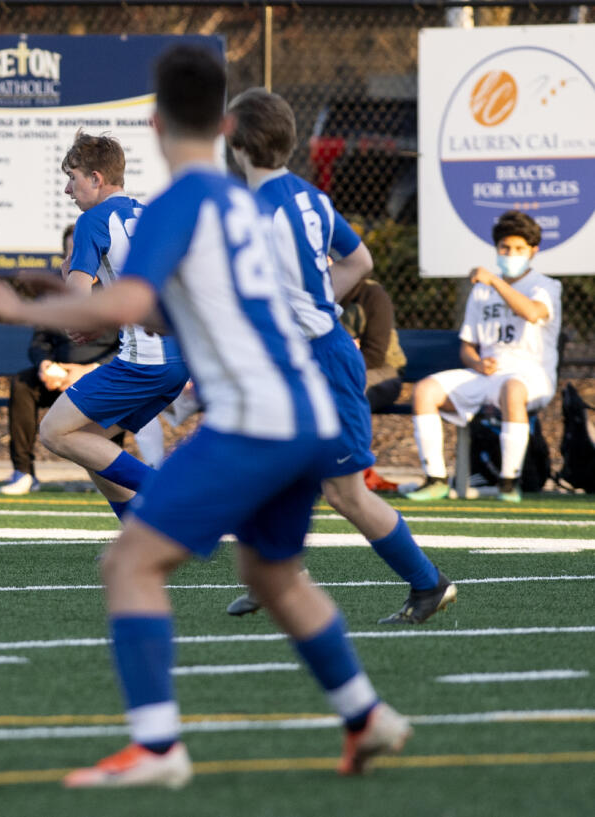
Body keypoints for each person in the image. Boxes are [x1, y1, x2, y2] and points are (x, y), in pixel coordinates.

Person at [0, 44, 409, 789]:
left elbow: (129, 305)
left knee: (130, 562)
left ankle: (156, 745)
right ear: (228, 123)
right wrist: (70, 294)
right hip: (306, 406)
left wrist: (21, 305)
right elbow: (181, 310)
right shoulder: (244, 202)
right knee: (273, 575)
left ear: (153, 121)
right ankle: (368, 715)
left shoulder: (186, 200)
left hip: (256, 417)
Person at [224, 88, 454, 626]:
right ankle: (273, 573)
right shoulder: (311, 197)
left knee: (345, 494)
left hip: (318, 363)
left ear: (235, 143)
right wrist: (317, 303)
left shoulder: (251, 213)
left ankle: (429, 584)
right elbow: (360, 260)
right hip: (305, 356)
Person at [38, 130, 188, 518]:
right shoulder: (146, 214)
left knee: (54, 431)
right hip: (179, 357)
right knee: (89, 443)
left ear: (96, 179)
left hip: (145, 361)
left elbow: (76, 304)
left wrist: (67, 270)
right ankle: (139, 532)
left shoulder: (93, 220)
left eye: (72, 177)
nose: (67, 190)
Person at [407, 210, 561, 503]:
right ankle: (436, 478)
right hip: (487, 375)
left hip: (530, 377)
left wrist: (495, 281)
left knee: (512, 389)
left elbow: (530, 312)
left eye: (518, 249)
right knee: (425, 390)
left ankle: (508, 482)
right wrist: (477, 363)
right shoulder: (481, 292)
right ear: (496, 248)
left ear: (533, 251)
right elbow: (467, 346)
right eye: (505, 248)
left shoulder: (546, 286)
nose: (510, 254)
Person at [1, 229, 124, 495]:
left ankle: (109, 474)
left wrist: (88, 370)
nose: (76, 258)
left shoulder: (114, 292)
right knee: (23, 382)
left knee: (117, 388)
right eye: (71, 252)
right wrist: (46, 365)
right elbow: (39, 341)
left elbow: (125, 347)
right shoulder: (53, 295)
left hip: (100, 375)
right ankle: (23, 473)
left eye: (82, 252)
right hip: (57, 377)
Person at [338, 278, 406, 491]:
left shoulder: (372, 295)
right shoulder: (312, 290)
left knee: (350, 390)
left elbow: (375, 356)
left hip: (380, 371)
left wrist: (341, 362)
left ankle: (357, 470)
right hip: (334, 370)